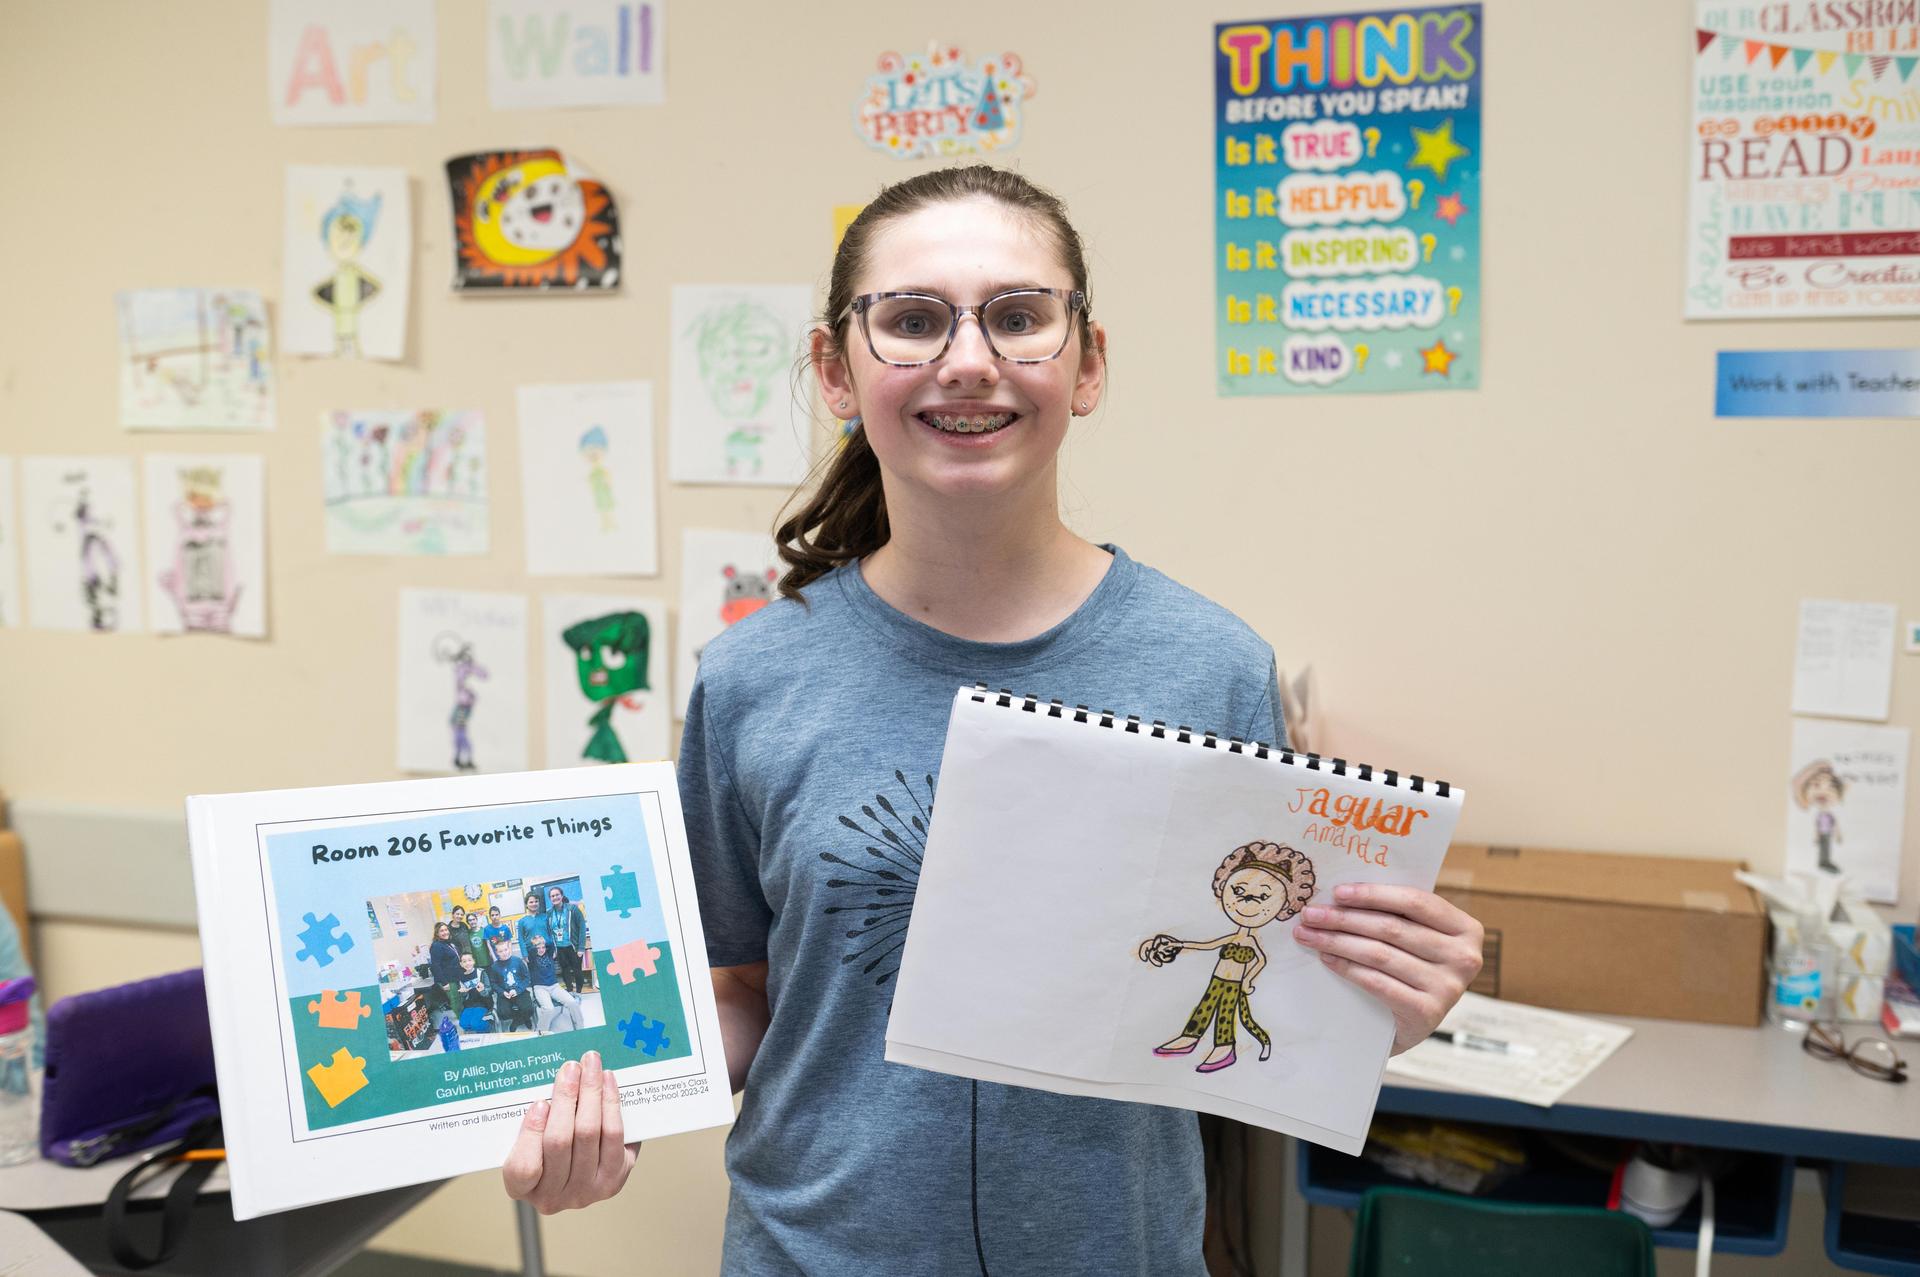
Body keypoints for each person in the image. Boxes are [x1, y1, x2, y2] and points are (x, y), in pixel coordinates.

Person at [501, 165, 1483, 1270]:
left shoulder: (1212, 669)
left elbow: (1254, 983)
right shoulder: (750, 679)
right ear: (835, 369)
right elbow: (742, 989)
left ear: (1089, 362)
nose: (969, 361)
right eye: (912, 321)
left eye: (1019, 318)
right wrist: (612, 1101)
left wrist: (1369, 1007)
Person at [527, 934, 584, 1033]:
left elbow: (551, 943)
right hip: (540, 988)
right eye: (538, 948)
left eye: (543, 947)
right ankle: (541, 1032)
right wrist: (536, 943)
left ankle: (580, 1029)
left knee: (573, 1003)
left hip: (554, 986)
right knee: (549, 1009)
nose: (541, 950)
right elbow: (530, 949)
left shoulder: (549, 954)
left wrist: (542, 941)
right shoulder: (531, 958)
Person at [545, 885, 589, 993]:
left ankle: (578, 992)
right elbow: (549, 931)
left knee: (577, 970)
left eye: (557, 895)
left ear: (562, 895)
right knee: (565, 970)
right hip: (559, 948)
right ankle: (569, 990)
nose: (555, 897)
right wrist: (554, 949)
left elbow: (582, 927)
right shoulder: (549, 913)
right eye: (552, 896)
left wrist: (581, 948)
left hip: (573, 946)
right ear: (550, 898)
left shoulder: (572, 909)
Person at [489, 937, 535, 1032]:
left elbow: (527, 978)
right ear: (497, 953)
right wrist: (502, 992)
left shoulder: (518, 961)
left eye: (506, 950)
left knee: (528, 1009)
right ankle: (522, 1018)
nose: (504, 953)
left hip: (519, 990)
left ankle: (519, 1020)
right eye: (501, 951)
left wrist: (517, 990)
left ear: (509, 949)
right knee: (503, 1013)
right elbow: (493, 983)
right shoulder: (494, 967)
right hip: (505, 993)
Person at [426, 921, 463, 1029]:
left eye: (446, 930)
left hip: (456, 976)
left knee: (459, 999)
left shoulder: (447, 943)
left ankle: (464, 1018)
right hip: (448, 979)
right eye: (441, 931)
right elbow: (435, 966)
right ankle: (462, 1022)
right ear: (437, 933)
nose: (445, 932)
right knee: (455, 1001)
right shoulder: (436, 946)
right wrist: (444, 982)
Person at [455, 952, 493, 1034]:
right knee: (463, 1024)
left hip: (483, 1002)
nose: (467, 963)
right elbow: (464, 996)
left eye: (469, 960)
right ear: (461, 964)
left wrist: (482, 990)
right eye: (464, 961)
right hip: (469, 1004)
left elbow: (489, 990)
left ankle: (488, 1026)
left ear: (473, 961)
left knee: (475, 1024)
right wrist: (463, 992)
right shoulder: (461, 977)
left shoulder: (481, 972)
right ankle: (478, 1028)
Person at [515, 890, 549, 968]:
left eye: (536, 901)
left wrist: (553, 950)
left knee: (548, 976)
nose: (534, 904)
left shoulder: (545, 917)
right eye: (531, 902)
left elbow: (550, 934)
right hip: (531, 953)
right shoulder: (522, 921)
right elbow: (521, 939)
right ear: (526, 904)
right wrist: (524, 954)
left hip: (546, 951)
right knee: (535, 977)